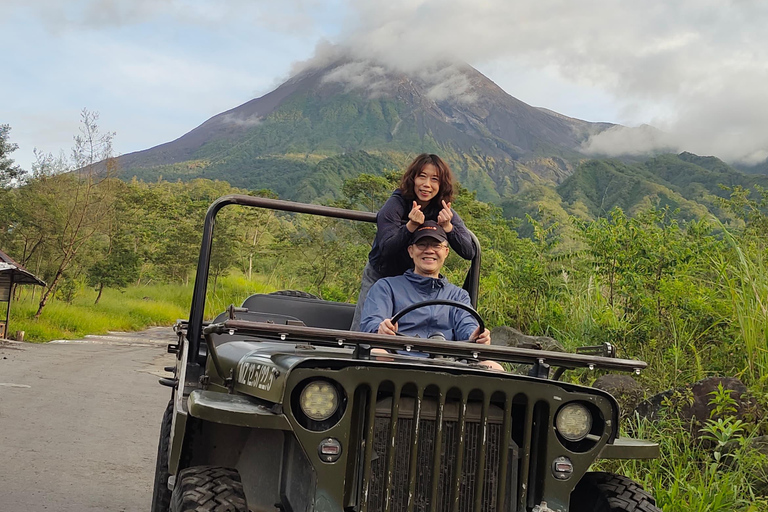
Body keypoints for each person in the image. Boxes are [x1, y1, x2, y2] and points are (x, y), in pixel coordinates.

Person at [351, 153, 476, 330]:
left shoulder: (442, 208)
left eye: (434, 179)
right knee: (366, 329)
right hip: (381, 273)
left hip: (412, 280)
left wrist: (448, 227)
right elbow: (386, 247)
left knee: (409, 328)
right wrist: (410, 226)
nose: (427, 184)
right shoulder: (396, 204)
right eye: (422, 176)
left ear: (441, 185)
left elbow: (469, 250)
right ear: (413, 178)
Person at [360, 222, 500, 367]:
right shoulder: (386, 287)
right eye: (422, 245)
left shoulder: (458, 296)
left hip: (448, 365)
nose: (429, 250)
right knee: (377, 353)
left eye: (436, 245)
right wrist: (381, 329)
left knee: (493, 367)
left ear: (446, 252)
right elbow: (372, 323)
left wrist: (476, 336)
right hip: (398, 362)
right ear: (411, 251)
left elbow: (467, 326)